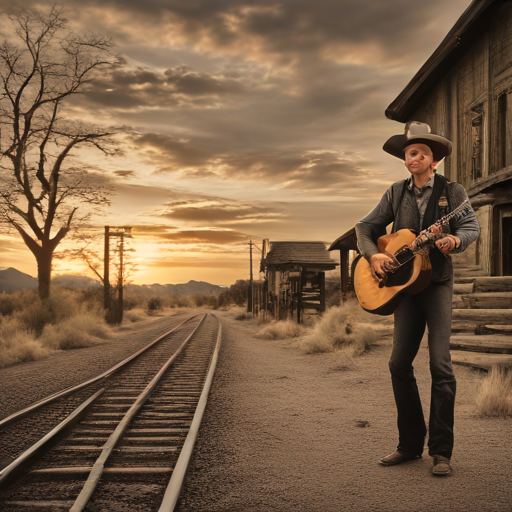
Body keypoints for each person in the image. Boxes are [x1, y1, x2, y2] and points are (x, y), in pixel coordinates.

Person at [355, 121, 480, 476]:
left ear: (434, 160)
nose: (415, 156)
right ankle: (409, 446)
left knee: (441, 367)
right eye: (411, 152)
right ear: (405, 159)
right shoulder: (395, 193)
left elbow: (470, 227)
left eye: (423, 152)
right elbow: (365, 228)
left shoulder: (453, 193)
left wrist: (455, 240)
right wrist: (373, 256)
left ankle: (441, 452)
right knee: (398, 364)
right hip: (405, 289)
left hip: (437, 284)